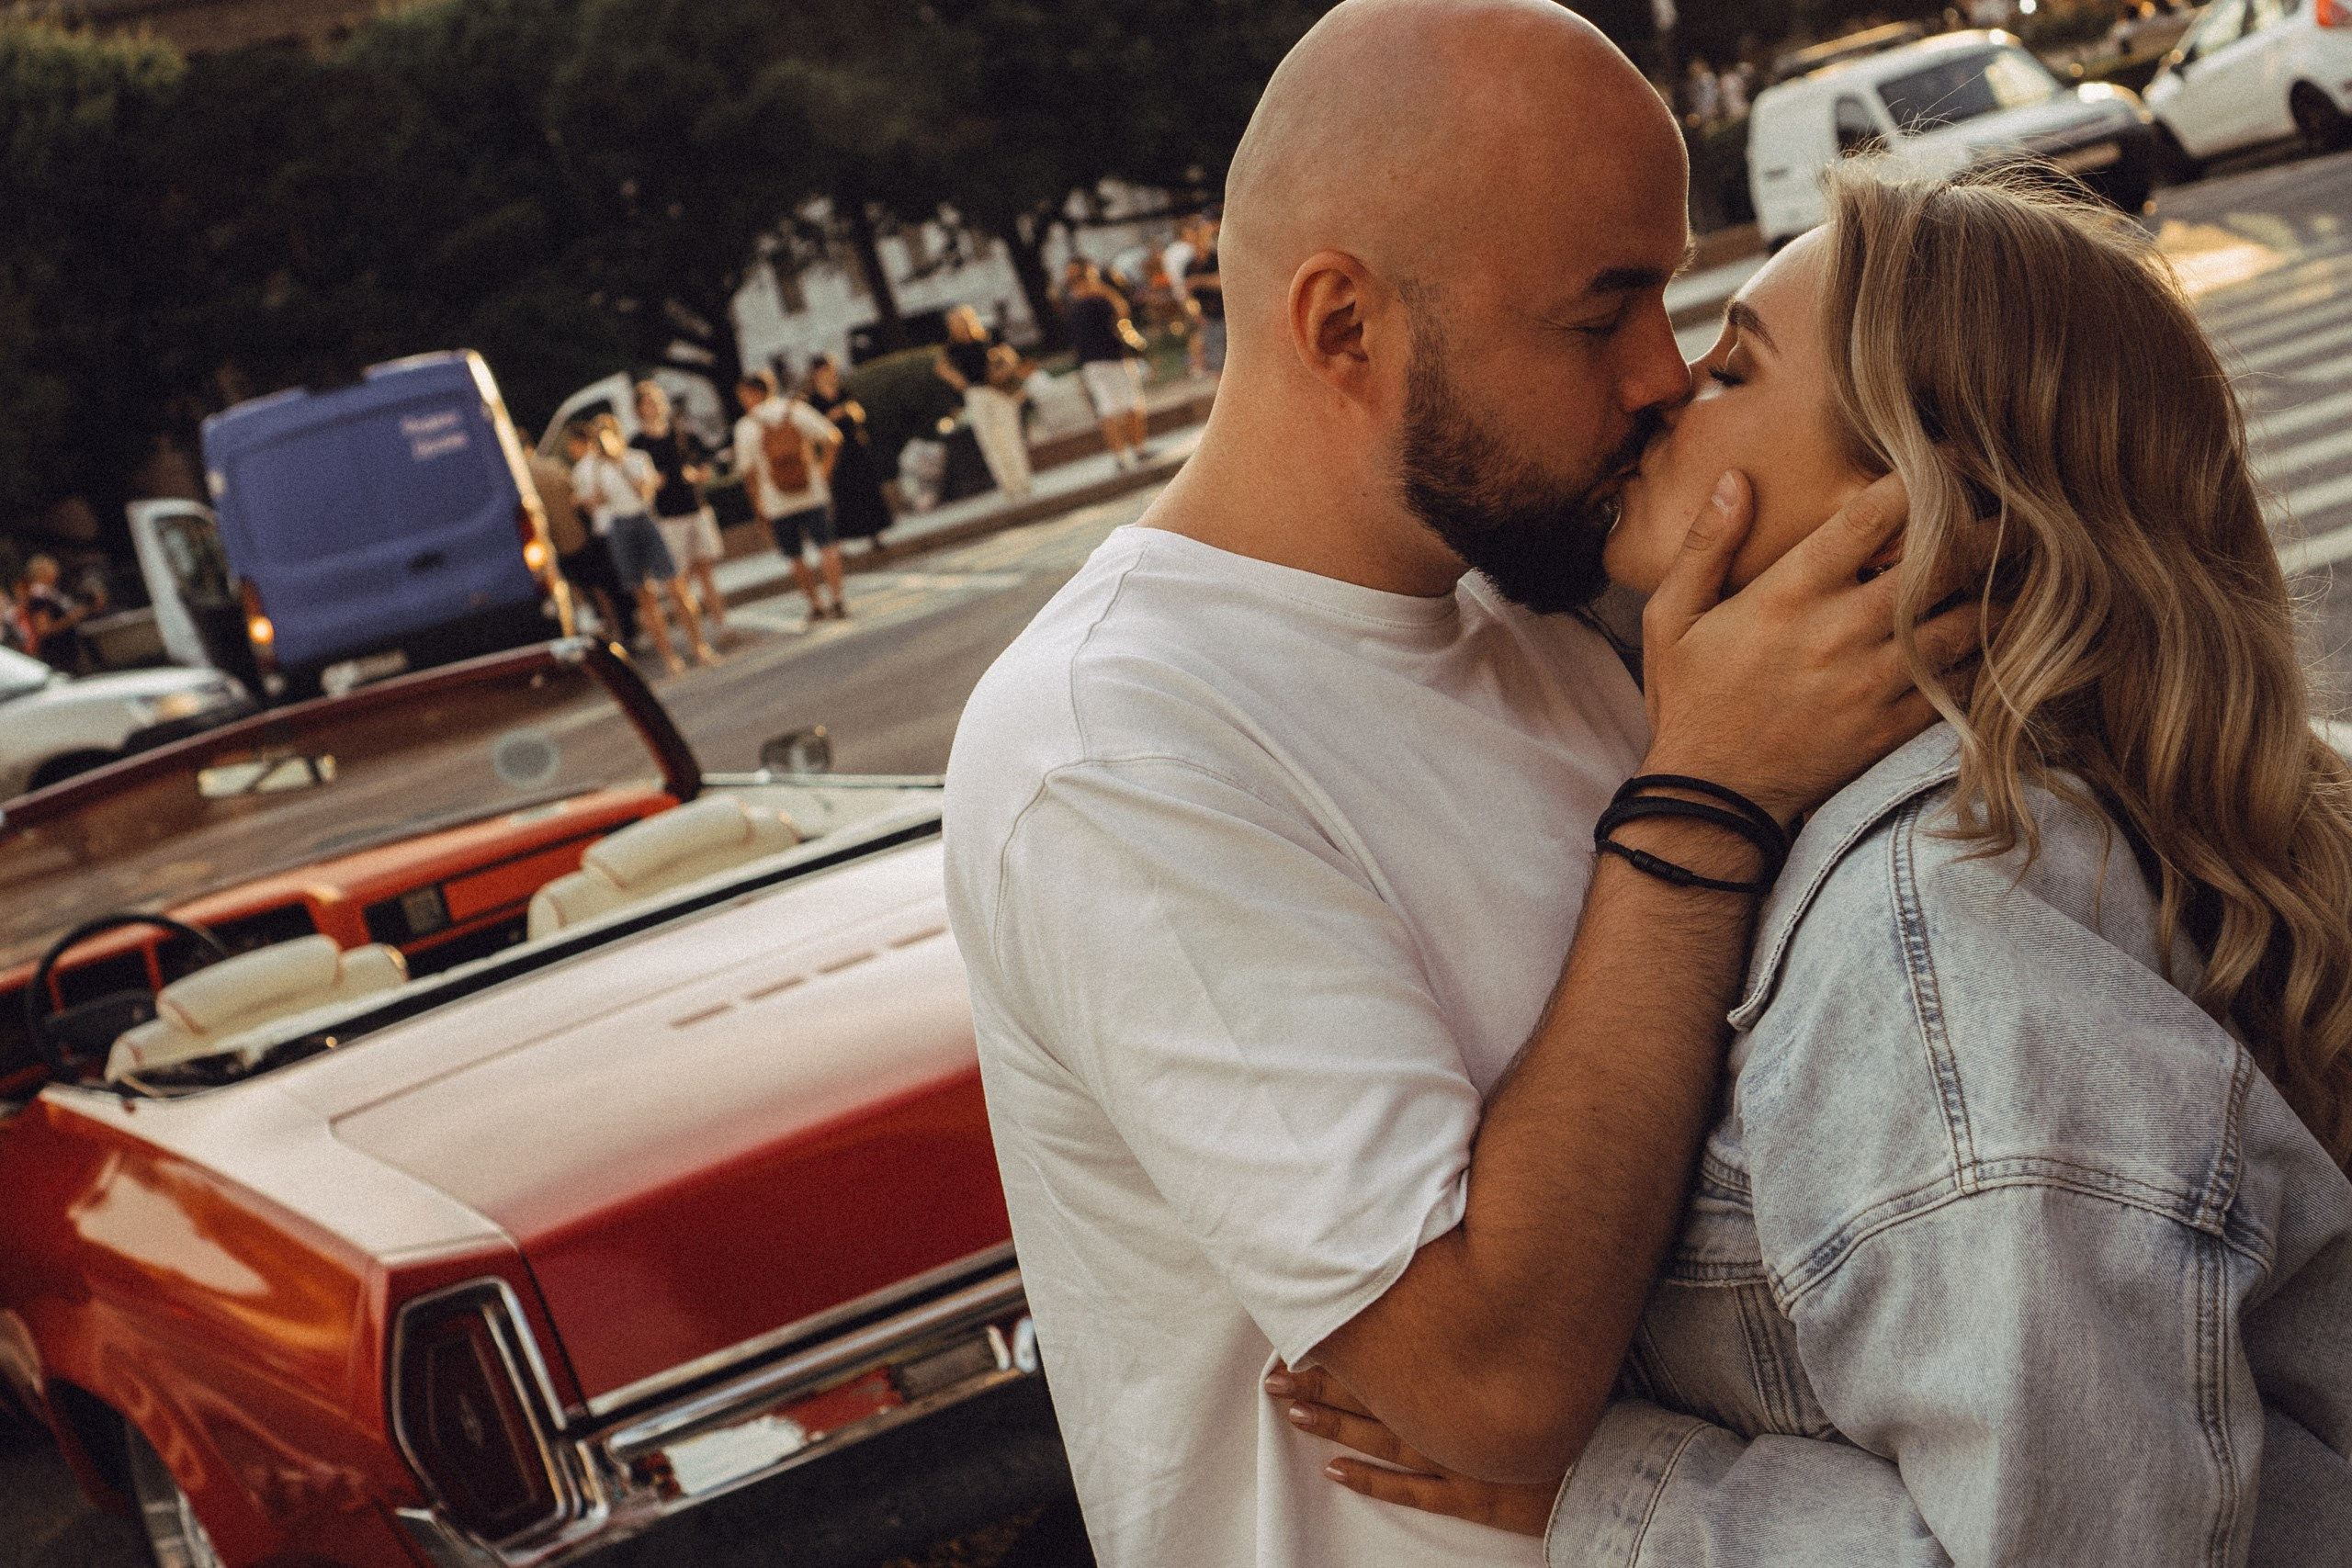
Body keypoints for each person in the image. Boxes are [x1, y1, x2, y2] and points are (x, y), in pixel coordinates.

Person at [941, 4, 1975, 1564]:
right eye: (1600, 313)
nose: (1664, 374)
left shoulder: (1553, 599)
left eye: (1673, 291)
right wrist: (1702, 799)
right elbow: (1486, 1386)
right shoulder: (1114, 744)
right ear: (1344, 324)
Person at [1281, 168, 2352, 1562]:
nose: (1661, 387)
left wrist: (1611, 1493)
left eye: (1733, 363)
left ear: (1909, 509)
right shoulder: (2030, 834)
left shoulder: (1946, 949)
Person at [567, 416, 715, 674]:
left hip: (645, 520)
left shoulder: (636, 458)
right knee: (643, 595)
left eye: (607, 435)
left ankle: (698, 646)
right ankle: (669, 658)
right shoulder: (591, 469)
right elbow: (588, 505)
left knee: (675, 586)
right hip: (619, 528)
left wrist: (620, 464)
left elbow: (647, 493)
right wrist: (597, 485)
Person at [733, 370, 848, 622]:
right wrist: (823, 472)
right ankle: (837, 599)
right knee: (827, 546)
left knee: (794, 556)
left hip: (775, 499)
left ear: (753, 394)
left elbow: (749, 474)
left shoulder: (746, 426)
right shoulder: (794, 410)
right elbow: (833, 438)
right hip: (811, 490)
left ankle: (816, 604)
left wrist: (758, 505)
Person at [630, 380, 729, 647]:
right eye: (645, 403)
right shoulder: (637, 443)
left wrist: (699, 473)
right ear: (639, 408)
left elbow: (707, 459)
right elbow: (635, 480)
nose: (651, 407)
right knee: (678, 579)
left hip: (694, 507)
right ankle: (694, 637)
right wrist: (651, 484)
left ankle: (722, 628)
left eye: (654, 400)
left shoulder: (681, 432)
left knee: (706, 572)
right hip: (667, 515)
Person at [526, 428, 630, 647]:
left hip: (558, 545)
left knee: (579, 594)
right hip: (579, 536)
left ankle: (596, 640)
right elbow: (574, 495)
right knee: (599, 589)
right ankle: (617, 635)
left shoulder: (523, 478)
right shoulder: (554, 467)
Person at [933, 305, 1035, 500]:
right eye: (955, 323)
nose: (960, 326)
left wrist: (1005, 369)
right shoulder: (953, 348)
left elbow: (1010, 356)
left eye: (962, 321)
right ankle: (1008, 486)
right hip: (976, 394)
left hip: (1000, 391)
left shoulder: (988, 337)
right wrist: (956, 380)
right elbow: (941, 367)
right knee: (990, 441)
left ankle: (1022, 480)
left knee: (1011, 437)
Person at [1062, 260, 1151, 471]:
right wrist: (1103, 289)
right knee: (1125, 406)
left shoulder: (1072, 302)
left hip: (1094, 362)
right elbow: (1122, 312)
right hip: (1112, 358)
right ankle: (1136, 451)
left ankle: (1124, 455)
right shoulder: (1099, 298)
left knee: (1112, 409)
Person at [803, 355, 895, 548]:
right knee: (842, 494)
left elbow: (859, 412)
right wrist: (830, 417)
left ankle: (874, 533)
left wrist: (850, 412)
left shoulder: (843, 391)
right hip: (835, 452)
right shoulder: (812, 400)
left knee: (866, 489)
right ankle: (842, 539)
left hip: (854, 446)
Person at [17, 555, 94, 671]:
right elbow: (43, 628)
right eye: (52, 570)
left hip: (68, 650)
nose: (56, 574)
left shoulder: (51, 594)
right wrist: (71, 618)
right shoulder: (39, 598)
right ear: (42, 573)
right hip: (58, 654)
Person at [1182, 214, 1226, 380]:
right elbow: (1187, 296)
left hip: (1228, 316)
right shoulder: (1190, 266)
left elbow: (1223, 281)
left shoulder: (1216, 257)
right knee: (1217, 366)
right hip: (1210, 318)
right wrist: (1195, 314)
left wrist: (1199, 281)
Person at [1165, 216, 1207, 378]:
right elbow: (1188, 278)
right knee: (1199, 328)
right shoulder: (1185, 251)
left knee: (1195, 330)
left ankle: (1197, 365)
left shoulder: (1170, 251)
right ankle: (1198, 364)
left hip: (1181, 294)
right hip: (1191, 294)